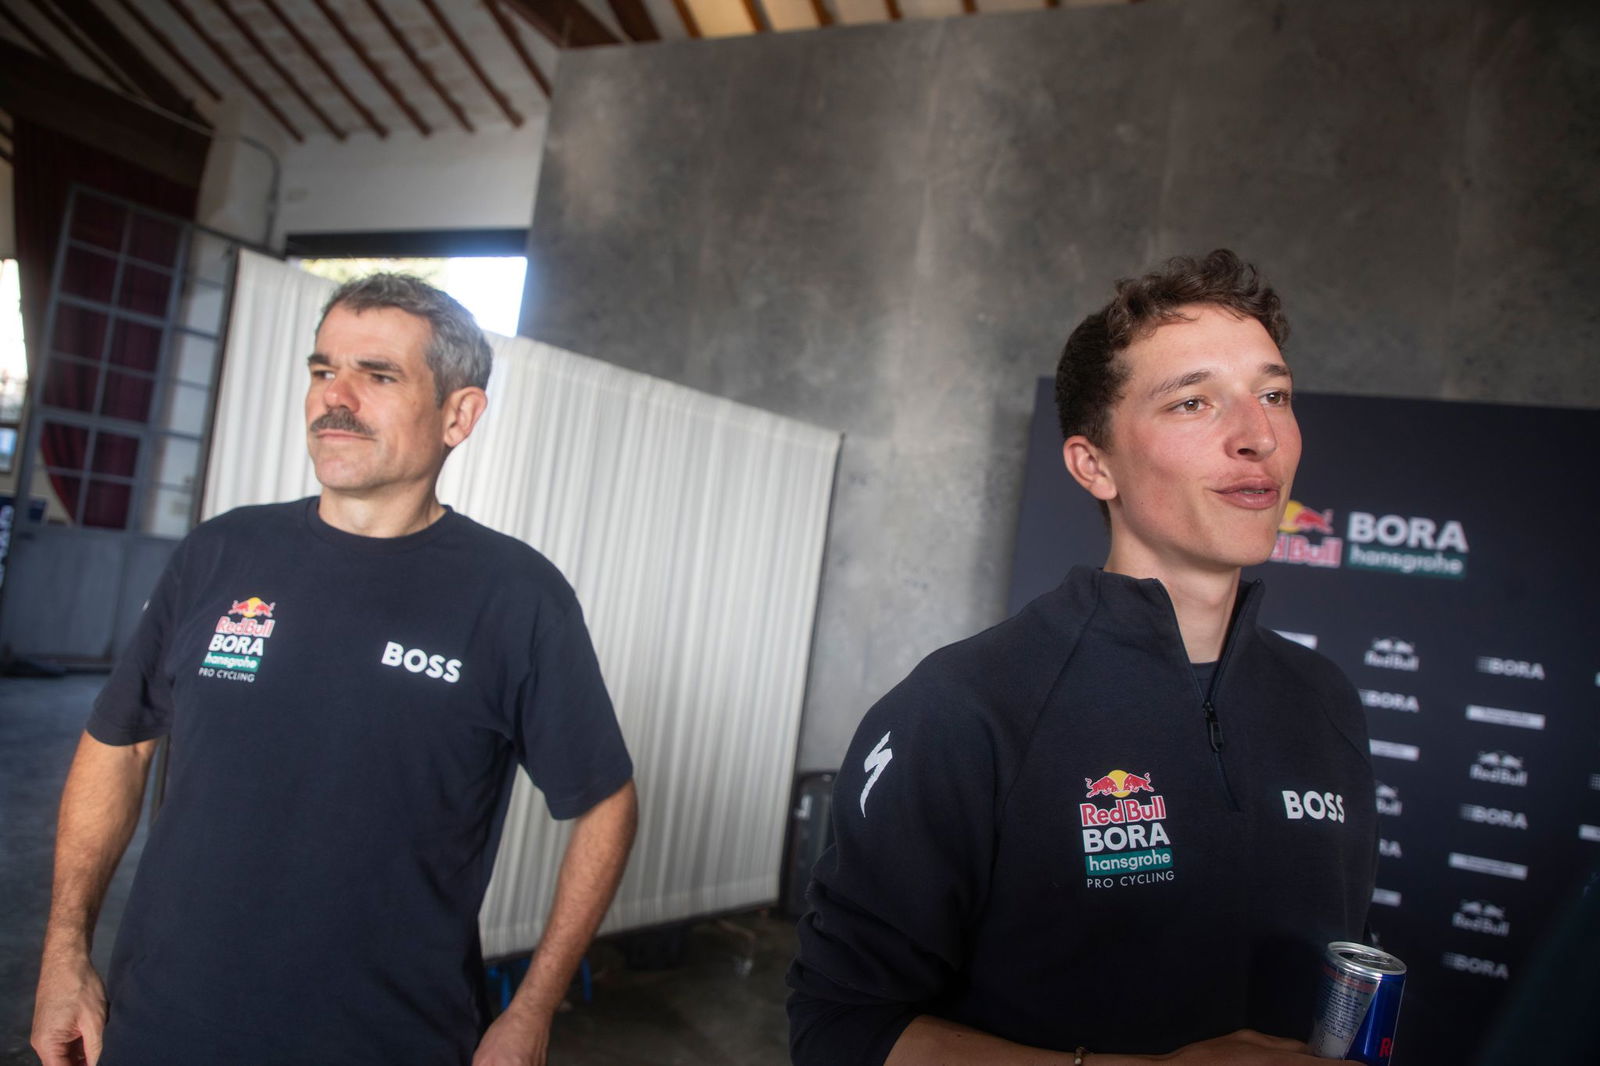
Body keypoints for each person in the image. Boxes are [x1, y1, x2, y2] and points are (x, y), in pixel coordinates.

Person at [31, 274, 638, 1066]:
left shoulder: (518, 599)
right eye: (323, 371)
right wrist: (64, 950)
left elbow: (606, 806)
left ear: (459, 415)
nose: (333, 397)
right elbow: (121, 746)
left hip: (391, 1041)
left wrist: (532, 1010)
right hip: (161, 1027)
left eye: (377, 375)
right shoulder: (220, 554)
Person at [788, 250, 1377, 1065]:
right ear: (1092, 464)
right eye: (1193, 402)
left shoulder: (1325, 701)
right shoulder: (964, 708)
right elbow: (841, 1030)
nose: (1259, 435)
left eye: (1273, 394)